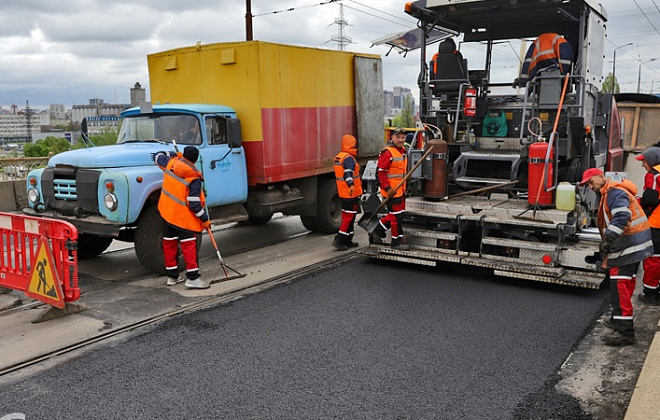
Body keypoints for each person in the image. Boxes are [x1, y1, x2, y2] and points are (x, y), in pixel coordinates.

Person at [580, 168, 653, 346]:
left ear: (600, 176)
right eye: (587, 185)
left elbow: (622, 216)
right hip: (630, 245)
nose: (590, 186)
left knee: (620, 287)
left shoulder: (614, 192)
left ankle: (625, 332)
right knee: (622, 285)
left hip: (629, 246)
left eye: (591, 182)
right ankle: (617, 319)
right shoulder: (609, 192)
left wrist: (608, 240)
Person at [155, 146, 211, 289]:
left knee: (169, 244)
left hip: (167, 213)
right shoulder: (193, 176)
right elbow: (194, 204)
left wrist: (173, 154)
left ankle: (172, 277)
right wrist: (204, 219)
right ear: (196, 159)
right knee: (189, 245)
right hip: (182, 218)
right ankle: (192, 279)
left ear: (183, 155)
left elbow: (157, 156)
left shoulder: (171, 163)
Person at [370, 127, 411, 251]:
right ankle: (396, 241)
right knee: (396, 217)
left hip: (400, 190)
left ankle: (378, 229)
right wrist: (388, 189)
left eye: (403, 137)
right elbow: (380, 174)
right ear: (392, 137)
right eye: (398, 137)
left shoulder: (403, 151)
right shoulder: (387, 153)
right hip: (391, 192)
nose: (401, 139)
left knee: (398, 215)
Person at [635, 147, 660, 305]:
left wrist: (636, 202)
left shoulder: (654, 175)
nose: (642, 165)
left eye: (644, 161)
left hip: (656, 224)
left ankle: (650, 295)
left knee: (653, 259)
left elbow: (650, 199)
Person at [331, 134, 363, 251]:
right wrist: (351, 185)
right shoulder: (348, 158)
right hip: (350, 193)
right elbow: (347, 173)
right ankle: (339, 241)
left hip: (343, 193)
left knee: (349, 216)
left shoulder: (340, 156)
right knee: (348, 217)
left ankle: (348, 240)